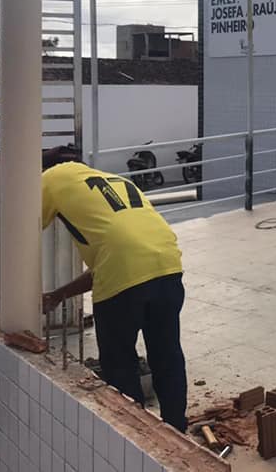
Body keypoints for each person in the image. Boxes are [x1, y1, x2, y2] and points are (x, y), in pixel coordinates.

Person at [38, 147, 188, 432]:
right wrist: (58, 296)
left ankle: (133, 438)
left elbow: (17, 235)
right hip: (168, 267)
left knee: (119, 363)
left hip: (125, 278)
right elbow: (114, 261)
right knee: (167, 355)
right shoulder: (113, 181)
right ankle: (177, 431)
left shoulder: (50, 177)